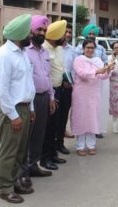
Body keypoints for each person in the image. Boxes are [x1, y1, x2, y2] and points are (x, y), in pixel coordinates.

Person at [0, 14, 36, 203]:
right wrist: (13, 115)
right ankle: (5, 188)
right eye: (29, 33)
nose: (31, 36)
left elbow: (27, 83)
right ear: (20, 34)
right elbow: (1, 91)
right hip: (10, 109)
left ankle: (16, 181)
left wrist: (31, 107)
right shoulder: (3, 55)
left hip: (24, 107)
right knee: (9, 151)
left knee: (20, 150)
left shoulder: (22, 53)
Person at [23, 15, 55, 182]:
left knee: (39, 134)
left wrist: (51, 96)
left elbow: (47, 76)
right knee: (26, 135)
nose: (42, 33)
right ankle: (23, 171)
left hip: (43, 98)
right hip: (29, 99)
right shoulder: (24, 52)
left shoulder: (45, 52)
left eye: (44, 30)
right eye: (39, 30)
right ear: (31, 31)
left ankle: (34, 165)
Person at [70, 40, 113, 156]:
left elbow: (102, 77)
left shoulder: (98, 61)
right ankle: (80, 146)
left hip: (94, 93)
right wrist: (97, 71)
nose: (90, 50)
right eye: (88, 47)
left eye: (92, 48)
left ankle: (91, 145)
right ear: (83, 49)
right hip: (81, 93)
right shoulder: (78, 60)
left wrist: (108, 71)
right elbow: (82, 74)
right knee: (80, 117)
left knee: (92, 117)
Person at [41, 20, 67, 170]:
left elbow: (60, 69)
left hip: (60, 89)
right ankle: (45, 158)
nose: (64, 38)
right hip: (50, 92)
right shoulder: (44, 50)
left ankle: (53, 154)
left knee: (57, 124)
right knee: (48, 126)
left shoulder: (59, 49)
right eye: (62, 35)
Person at [81, 23, 108, 138]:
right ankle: (84, 130)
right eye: (89, 33)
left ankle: (96, 129)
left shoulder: (101, 48)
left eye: (93, 34)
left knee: (97, 106)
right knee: (84, 108)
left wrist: (107, 69)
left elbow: (105, 62)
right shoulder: (78, 48)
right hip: (83, 82)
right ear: (85, 35)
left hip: (98, 82)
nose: (91, 35)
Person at [58, 23, 76, 154]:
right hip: (55, 87)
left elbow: (73, 69)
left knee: (63, 116)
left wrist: (72, 84)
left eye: (70, 32)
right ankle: (51, 146)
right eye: (66, 32)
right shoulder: (54, 48)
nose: (68, 34)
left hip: (68, 87)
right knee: (54, 118)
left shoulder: (72, 50)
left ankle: (60, 143)